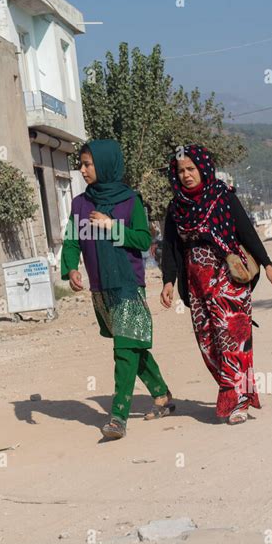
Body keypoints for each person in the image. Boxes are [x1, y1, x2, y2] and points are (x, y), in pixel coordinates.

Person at [161, 145, 272, 425]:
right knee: (208, 341)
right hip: (196, 283)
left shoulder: (222, 196)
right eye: (180, 171)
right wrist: (169, 280)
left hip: (228, 278)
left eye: (191, 169)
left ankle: (238, 399)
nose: (186, 175)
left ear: (203, 168)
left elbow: (246, 232)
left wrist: (268, 265)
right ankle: (232, 389)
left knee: (232, 337)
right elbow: (171, 247)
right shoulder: (176, 206)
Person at [61, 139, 174, 440]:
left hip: (127, 285)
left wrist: (113, 226)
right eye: (81, 164)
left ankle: (118, 418)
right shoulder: (80, 204)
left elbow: (142, 241)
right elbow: (72, 240)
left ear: (105, 164)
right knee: (132, 344)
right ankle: (161, 396)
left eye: (88, 164)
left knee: (123, 349)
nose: (82, 170)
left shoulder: (129, 201)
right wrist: (71, 268)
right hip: (101, 288)